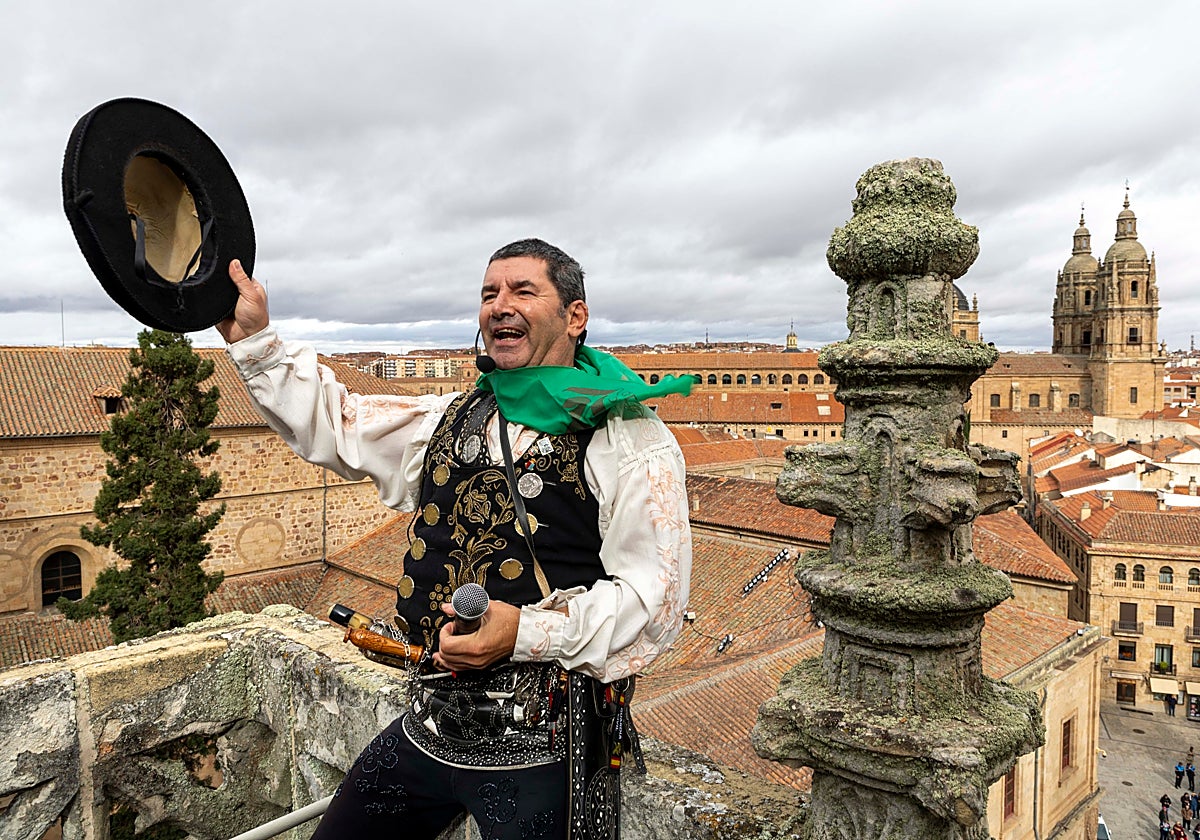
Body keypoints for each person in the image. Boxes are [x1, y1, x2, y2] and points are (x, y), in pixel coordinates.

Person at [218, 240, 693, 839]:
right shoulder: (452, 416)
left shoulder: (630, 438)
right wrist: (257, 342)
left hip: (546, 749)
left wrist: (525, 631)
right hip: (431, 723)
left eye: (523, 291)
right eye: (489, 293)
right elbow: (340, 424)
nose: (500, 305)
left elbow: (655, 600)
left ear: (575, 316)